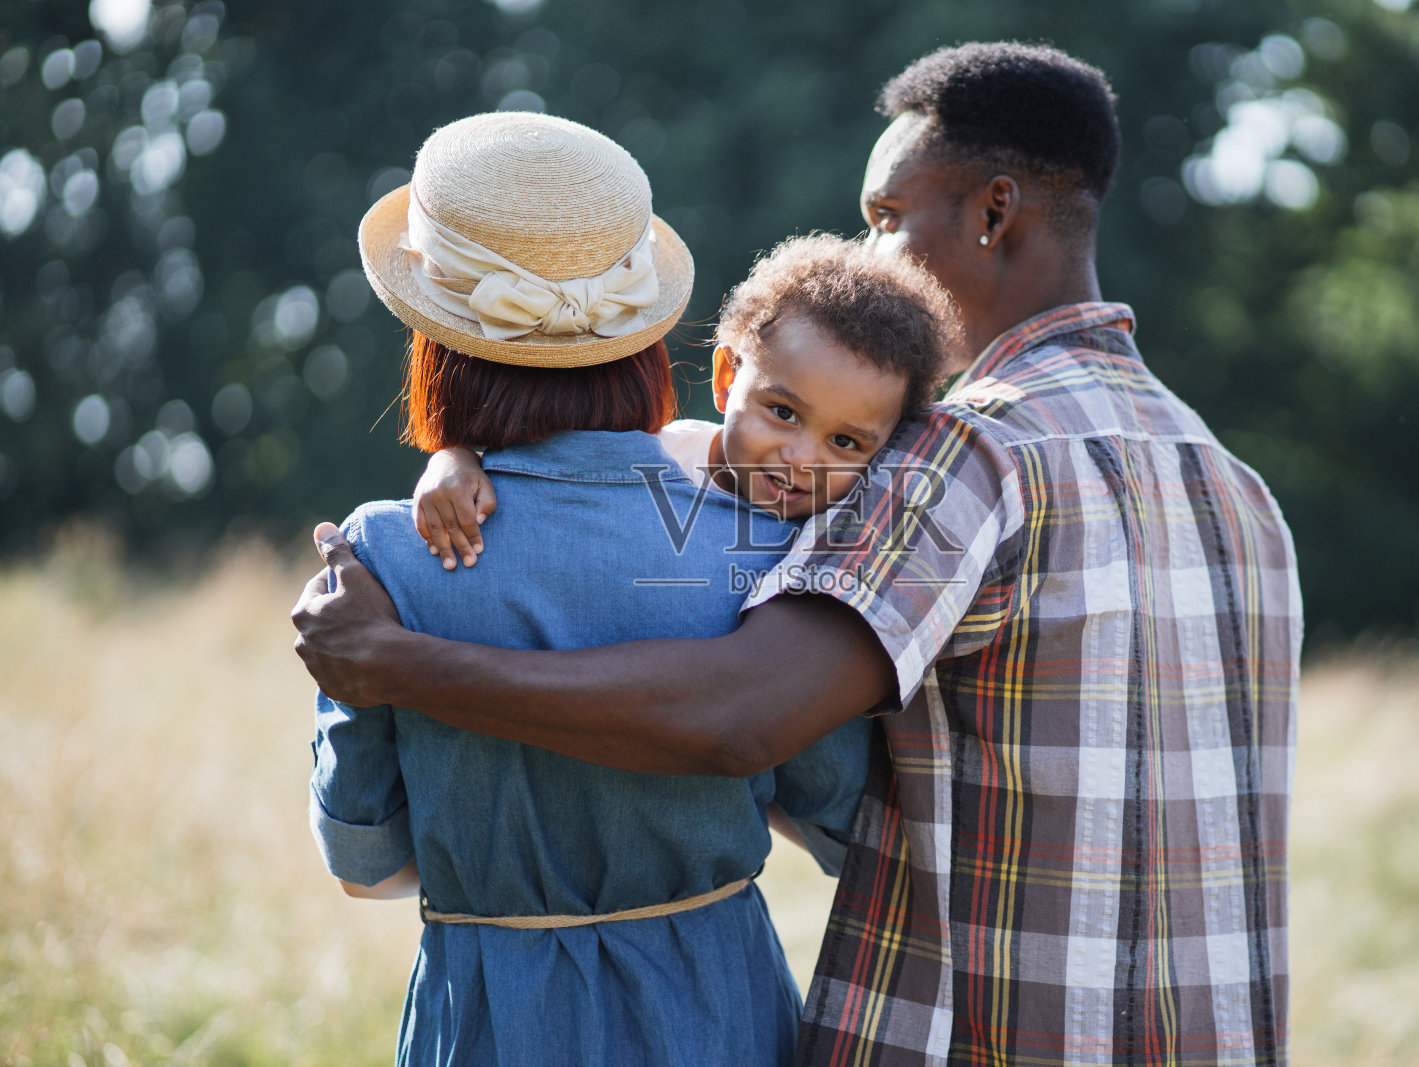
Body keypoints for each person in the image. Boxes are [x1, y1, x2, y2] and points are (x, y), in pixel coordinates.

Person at [295, 43, 1302, 1066]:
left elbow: (739, 714)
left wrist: (396, 662)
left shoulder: (967, 456)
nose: (872, 261)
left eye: (884, 220)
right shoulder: (1237, 488)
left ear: (994, 213)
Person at [309, 111, 950, 1066]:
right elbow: (834, 812)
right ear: (658, 336)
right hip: (713, 1003)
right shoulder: (771, 553)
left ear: (431, 339)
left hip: (490, 1012)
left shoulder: (388, 555)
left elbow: (365, 863)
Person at [409, 232, 960, 570]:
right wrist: (454, 458)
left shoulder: (840, 531)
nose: (801, 460)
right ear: (726, 376)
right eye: (784, 413)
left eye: (844, 441)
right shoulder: (658, 454)